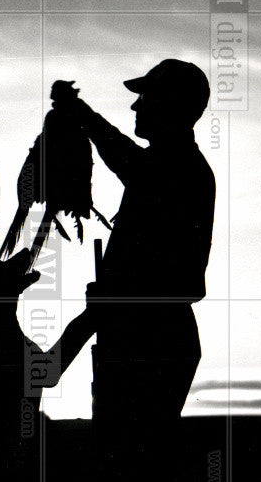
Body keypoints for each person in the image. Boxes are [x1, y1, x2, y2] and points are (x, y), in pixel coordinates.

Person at [61, 59, 216, 429]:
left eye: (144, 97)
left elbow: (127, 161)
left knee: (132, 461)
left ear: (167, 103)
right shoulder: (171, 165)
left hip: (151, 341)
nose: (135, 105)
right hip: (142, 336)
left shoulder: (178, 169)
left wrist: (83, 115)